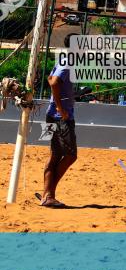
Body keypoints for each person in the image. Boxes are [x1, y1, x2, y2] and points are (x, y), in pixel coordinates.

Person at [41, 34, 77, 207]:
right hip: (60, 117)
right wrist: (60, 107)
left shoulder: (63, 60)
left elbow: (49, 79)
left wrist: (69, 95)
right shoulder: (69, 62)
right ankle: (49, 194)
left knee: (54, 154)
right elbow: (54, 82)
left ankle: (47, 195)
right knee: (70, 155)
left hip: (51, 114)